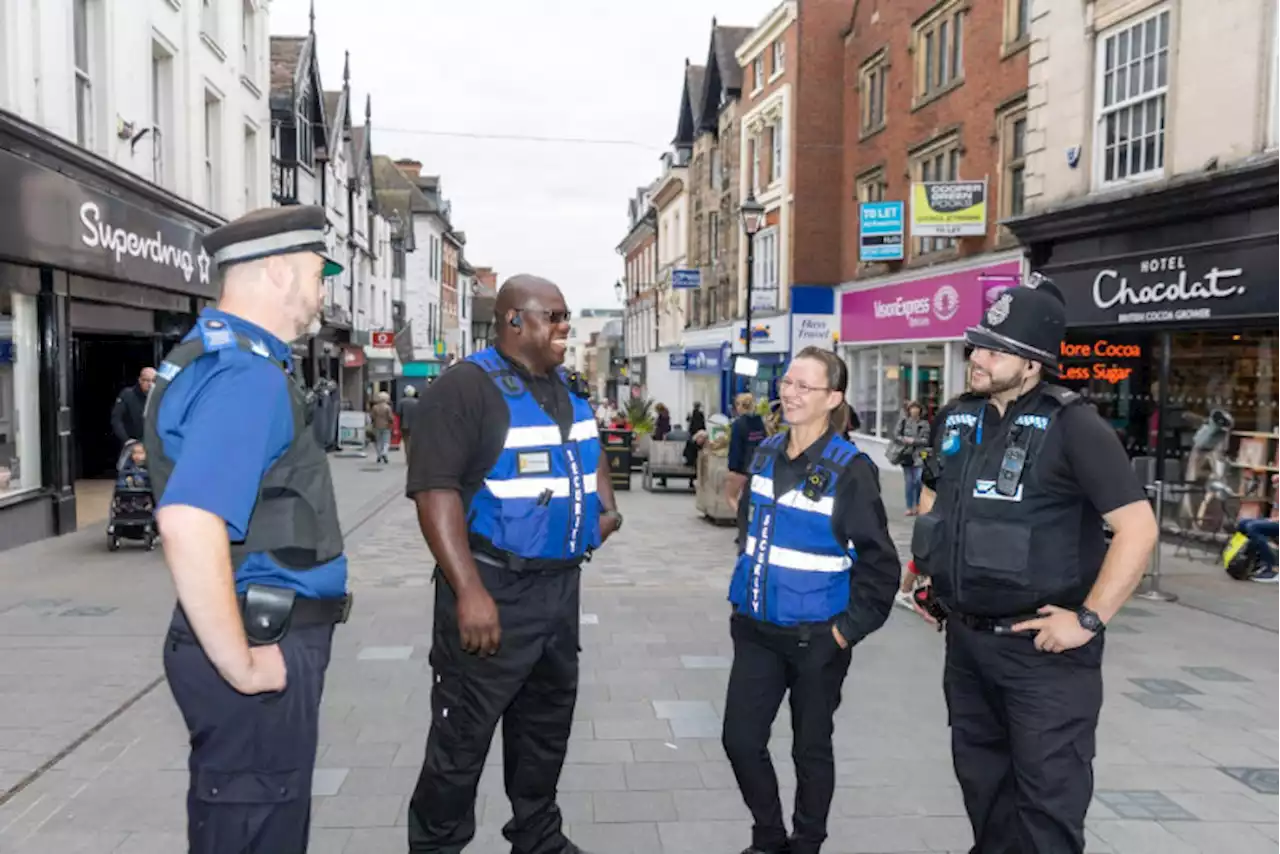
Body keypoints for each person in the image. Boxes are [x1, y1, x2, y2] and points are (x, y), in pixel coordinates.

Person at [912, 274, 1158, 854]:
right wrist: (925, 570)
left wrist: (1088, 620)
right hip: (967, 647)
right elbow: (934, 496)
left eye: (996, 350)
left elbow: (1138, 529)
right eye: (977, 344)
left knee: (1048, 804)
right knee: (983, 790)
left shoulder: (1075, 425)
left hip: (1042, 655)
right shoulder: (956, 418)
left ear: (1033, 364)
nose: (978, 357)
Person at [143, 205, 352, 854]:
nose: (325, 289)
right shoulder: (244, 377)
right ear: (277, 272)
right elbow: (188, 520)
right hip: (259, 637)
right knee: (255, 827)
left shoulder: (219, 357)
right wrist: (240, 663)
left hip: (256, 624)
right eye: (320, 271)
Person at [405, 274, 622, 854]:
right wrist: (469, 590)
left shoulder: (565, 386)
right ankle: (436, 844)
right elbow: (435, 491)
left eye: (566, 316)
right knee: (461, 739)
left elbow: (587, 447)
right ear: (513, 321)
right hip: (491, 588)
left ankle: (537, 837)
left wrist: (605, 509)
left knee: (545, 729)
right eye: (552, 316)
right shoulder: (463, 390)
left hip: (558, 594)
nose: (563, 327)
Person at [722, 346, 901, 854]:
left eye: (806, 386)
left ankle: (807, 841)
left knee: (811, 748)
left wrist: (845, 631)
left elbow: (880, 563)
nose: (791, 393)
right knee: (740, 740)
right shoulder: (765, 453)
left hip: (817, 639)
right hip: (756, 629)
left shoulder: (851, 469)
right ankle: (768, 835)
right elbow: (749, 532)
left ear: (833, 398)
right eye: (788, 383)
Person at [892, 401, 930, 516]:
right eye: (912, 408)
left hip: (919, 455)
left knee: (918, 480)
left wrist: (914, 441)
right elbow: (896, 435)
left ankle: (918, 504)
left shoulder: (924, 424)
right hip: (906, 455)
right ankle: (909, 506)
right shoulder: (904, 422)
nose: (914, 410)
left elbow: (926, 440)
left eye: (916, 408)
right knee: (909, 482)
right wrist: (904, 439)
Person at [112, 367, 156, 446]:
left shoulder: (159, 397)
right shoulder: (128, 394)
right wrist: (126, 439)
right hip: (133, 444)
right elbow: (116, 419)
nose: (150, 384)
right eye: (147, 380)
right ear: (140, 380)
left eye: (153, 381)